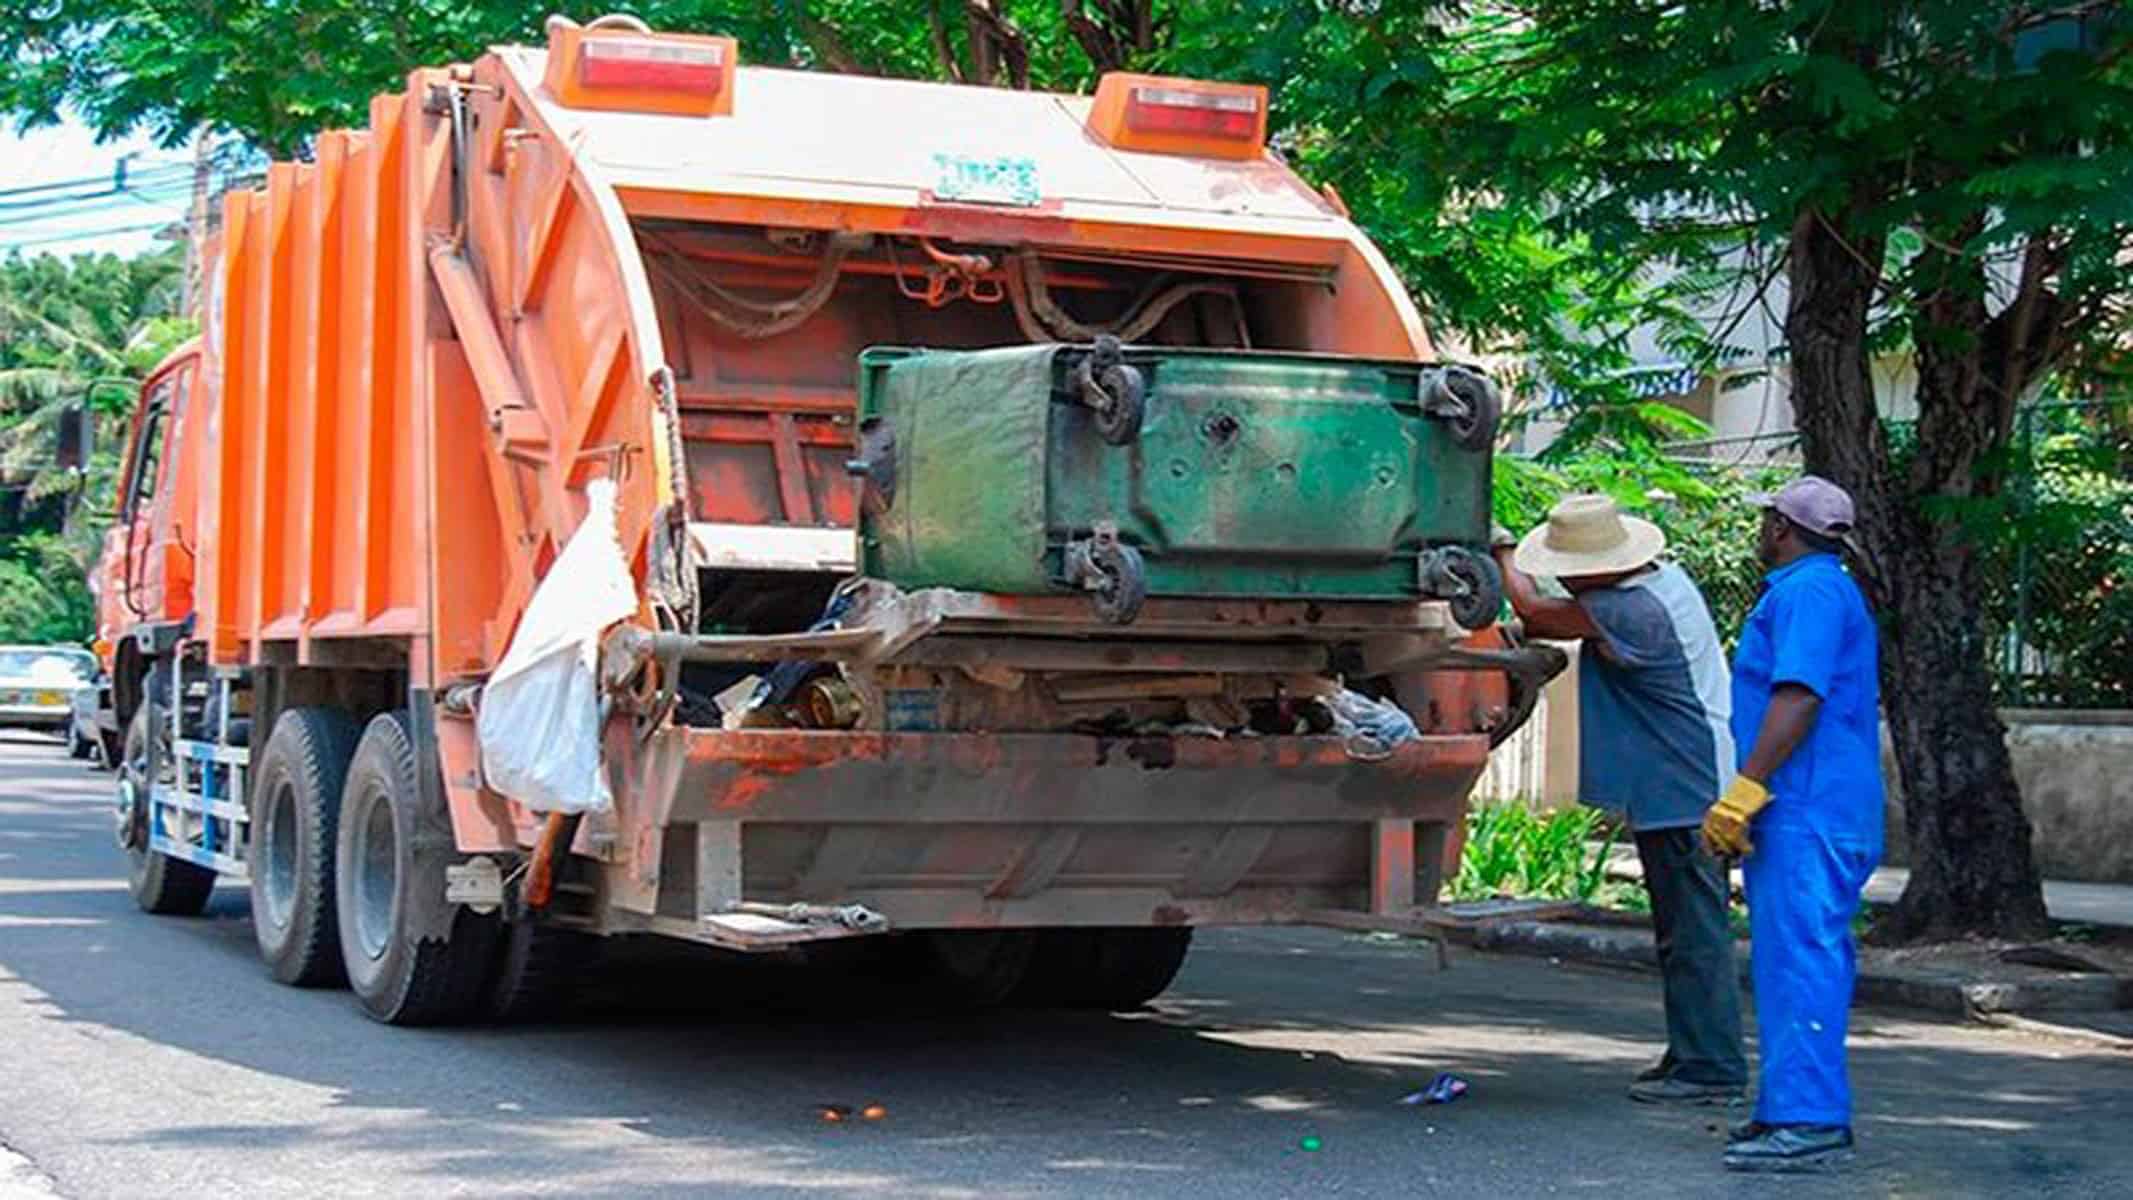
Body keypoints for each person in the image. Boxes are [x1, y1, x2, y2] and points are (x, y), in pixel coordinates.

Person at [1494, 494, 1746, 1106]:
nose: (1570, 579)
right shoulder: (1664, 583)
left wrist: (1498, 546)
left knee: (1694, 934)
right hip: (1682, 780)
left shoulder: (1632, 610)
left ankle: (1712, 1066)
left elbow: (1532, 610)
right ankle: (1693, 1050)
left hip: (1685, 789)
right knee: (1681, 931)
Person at [1701, 475, 1883, 1174]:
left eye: (1763, 521)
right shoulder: (1820, 588)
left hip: (1807, 805)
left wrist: (1747, 788)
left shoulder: (1807, 592)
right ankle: (1787, 1107)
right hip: (1813, 804)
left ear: (1779, 526)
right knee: (1786, 960)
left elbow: (1798, 697)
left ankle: (1808, 1118)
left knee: (1802, 957)